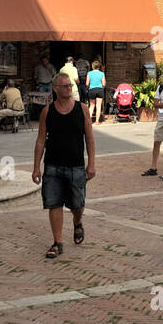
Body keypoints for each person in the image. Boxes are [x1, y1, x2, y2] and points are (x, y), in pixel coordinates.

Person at [32, 72, 96, 258]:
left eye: (70, 85)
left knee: (77, 203)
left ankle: (77, 222)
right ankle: (57, 242)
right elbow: (40, 141)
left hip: (76, 165)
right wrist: (36, 167)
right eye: (65, 86)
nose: (69, 88)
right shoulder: (47, 111)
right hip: (52, 165)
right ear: (56, 89)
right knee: (54, 203)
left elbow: (90, 139)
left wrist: (91, 164)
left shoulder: (82, 109)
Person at [87, 59, 106, 123]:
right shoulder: (102, 74)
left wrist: (90, 86)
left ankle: (89, 121)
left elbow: (87, 83)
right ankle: (97, 121)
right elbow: (104, 84)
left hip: (92, 90)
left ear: (92, 66)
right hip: (100, 90)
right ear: (99, 67)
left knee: (91, 105)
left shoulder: (89, 73)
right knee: (98, 106)